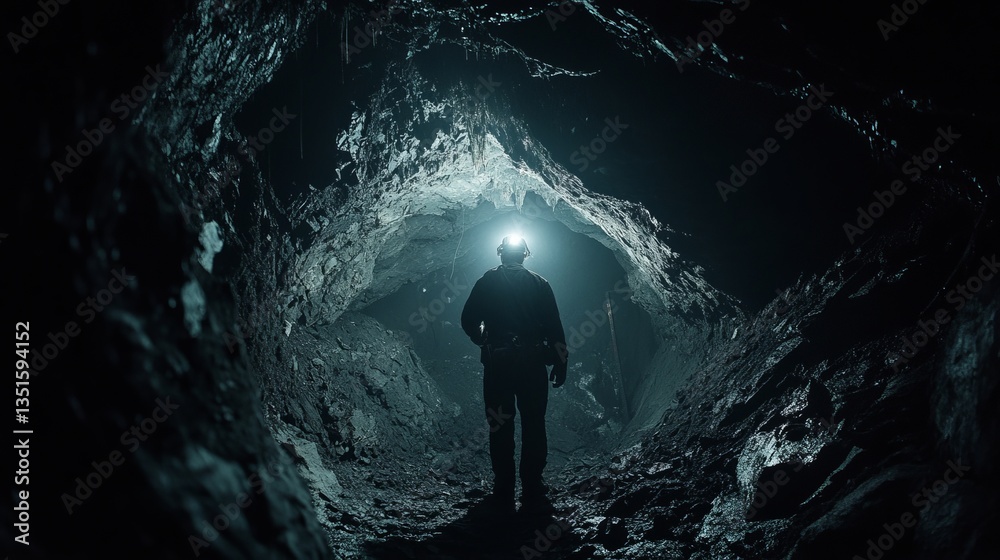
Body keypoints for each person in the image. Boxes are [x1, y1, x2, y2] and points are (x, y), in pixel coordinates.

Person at [461, 234, 568, 514]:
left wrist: (482, 338)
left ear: (501, 254)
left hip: (499, 363)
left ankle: (504, 488)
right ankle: (532, 485)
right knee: (534, 423)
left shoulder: (487, 281)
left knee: (500, 424)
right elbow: (555, 327)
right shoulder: (539, 283)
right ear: (524, 254)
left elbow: (468, 320)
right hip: (532, 362)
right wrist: (560, 362)